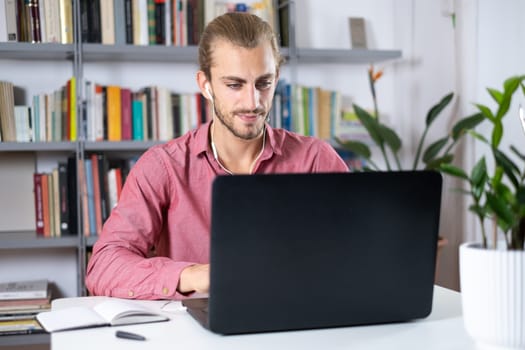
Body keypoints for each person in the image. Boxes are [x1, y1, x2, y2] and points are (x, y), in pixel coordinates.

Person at [85, 12, 349, 300]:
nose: (253, 102)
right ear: (205, 85)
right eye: (234, 85)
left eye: (264, 83)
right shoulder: (163, 166)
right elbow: (104, 266)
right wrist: (197, 275)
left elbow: (359, 248)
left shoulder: (316, 159)